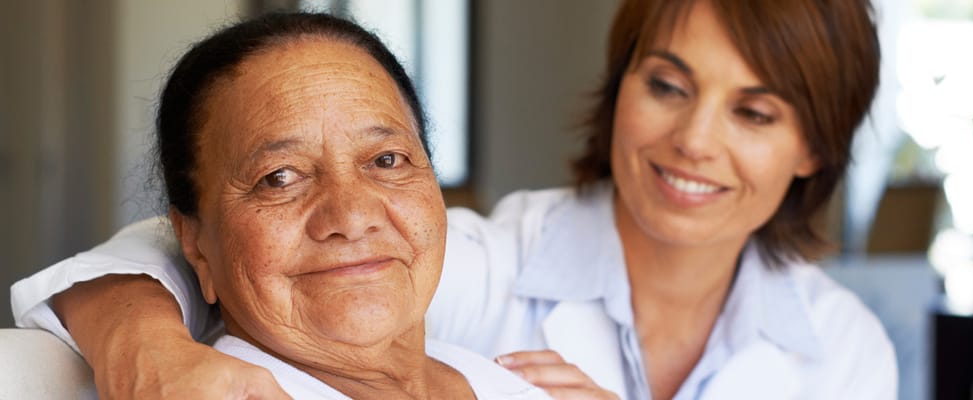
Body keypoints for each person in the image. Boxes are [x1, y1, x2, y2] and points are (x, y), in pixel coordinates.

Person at [12, 0, 896, 399]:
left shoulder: (844, 347)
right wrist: (146, 344)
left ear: (814, 145)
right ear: (620, 88)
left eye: (754, 111)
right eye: (667, 85)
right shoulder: (465, 258)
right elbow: (212, 249)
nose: (695, 140)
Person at [15, 11, 555, 400]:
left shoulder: (513, 383)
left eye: (387, 160)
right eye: (279, 178)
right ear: (195, 246)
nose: (351, 215)